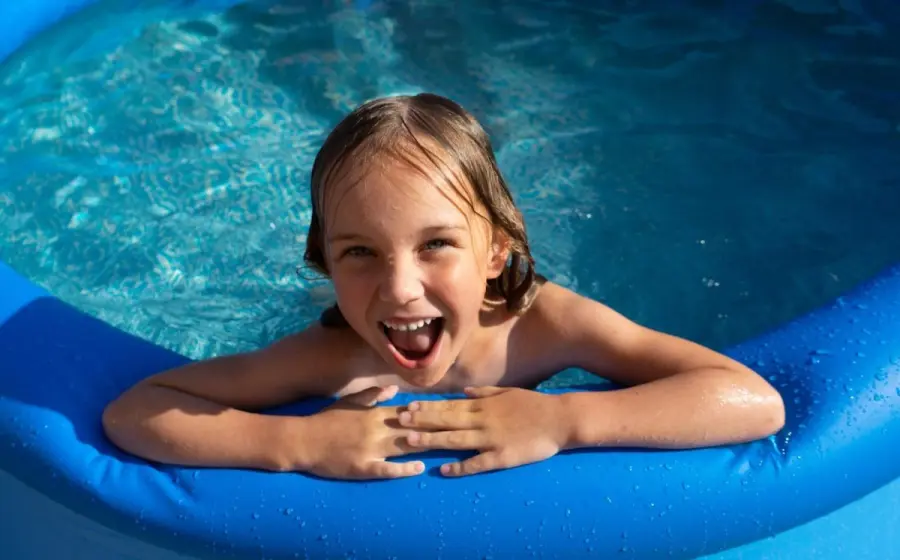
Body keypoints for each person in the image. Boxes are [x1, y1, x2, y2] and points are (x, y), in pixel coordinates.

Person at [102, 93, 785, 480]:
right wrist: (298, 446)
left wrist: (563, 420)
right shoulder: (333, 356)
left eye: (437, 245)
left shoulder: (548, 326)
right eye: (360, 253)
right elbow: (135, 413)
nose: (400, 288)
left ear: (498, 251)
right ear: (324, 266)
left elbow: (751, 401)